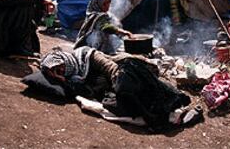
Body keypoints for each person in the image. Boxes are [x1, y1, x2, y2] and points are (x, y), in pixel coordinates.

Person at [41, 46, 196, 128]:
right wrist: (60, 78)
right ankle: (165, 114)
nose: (61, 71)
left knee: (138, 90)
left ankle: (172, 107)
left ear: (64, 59)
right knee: (120, 105)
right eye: (56, 72)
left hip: (120, 72)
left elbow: (109, 66)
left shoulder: (85, 54)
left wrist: (118, 82)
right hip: (110, 86)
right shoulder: (74, 77)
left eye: (60, 67)